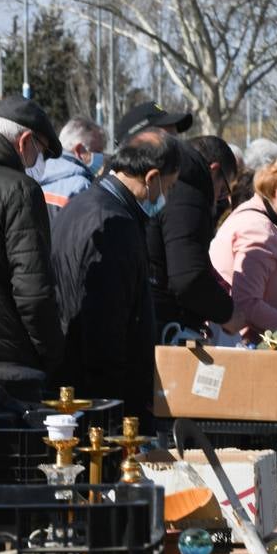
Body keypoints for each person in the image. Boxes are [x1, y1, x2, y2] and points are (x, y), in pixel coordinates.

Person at [51, 130, 180, 418]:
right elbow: (106, 324)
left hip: (74, 379)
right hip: (99, 397)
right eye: (168, 188)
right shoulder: (115, 224)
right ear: (151, 178)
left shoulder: (83, 205)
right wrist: (116, 405)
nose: (166, 197)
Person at [0, 97, 65, 376]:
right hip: (9, 358)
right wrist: (54, 356)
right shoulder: (20, 189)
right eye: (42, 152)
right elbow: (33, 293)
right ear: (25, 141)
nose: (40, 162)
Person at [209, 154, 277, 339]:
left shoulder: (252, 217)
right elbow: (247, 303)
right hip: (238, 341)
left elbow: (269, 295)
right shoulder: (258, 230)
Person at [151, 133, 237, 331]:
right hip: (162, 324)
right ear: (213, 170)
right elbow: (187, 277)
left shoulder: (172, 185)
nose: (220, 198)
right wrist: (228, 312)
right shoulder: (190, 192)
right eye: (223, 190)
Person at [40, 115, 105, 216]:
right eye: (98, 151)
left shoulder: (37, 173)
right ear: (79, 151)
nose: (101, 157)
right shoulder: (81, 187)